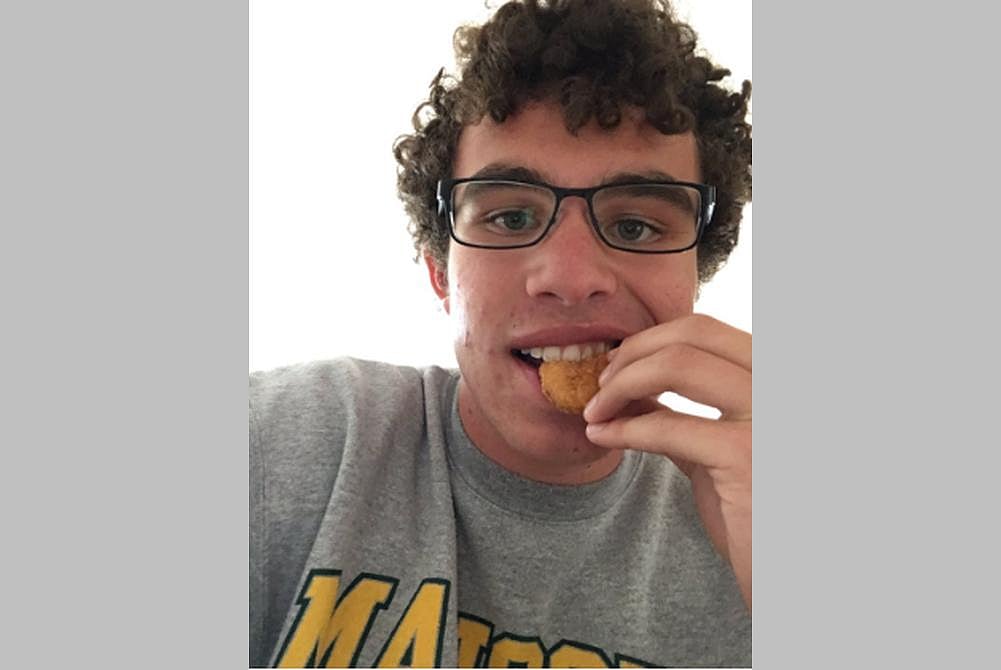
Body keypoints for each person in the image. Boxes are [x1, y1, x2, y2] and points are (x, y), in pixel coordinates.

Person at [250, 0, 752, 666]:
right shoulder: (287, 443)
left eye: (635, 226)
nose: (570, 278)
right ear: (440, 273)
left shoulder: (748, 518)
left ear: (695, 275)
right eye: (511, 218)